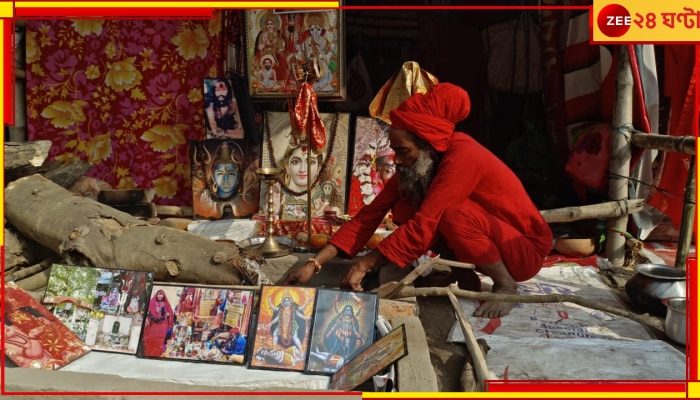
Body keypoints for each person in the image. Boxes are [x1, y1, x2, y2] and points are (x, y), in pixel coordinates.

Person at [283, 83, 553, 318]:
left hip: (523, 253)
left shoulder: (464, 154)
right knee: (408, 205)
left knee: (448, 216)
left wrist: (366, 264)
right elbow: (368, 216)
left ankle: (505, 285)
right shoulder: (418, 166)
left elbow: (428, 222)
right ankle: (462, 275)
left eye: (402, 151)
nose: (396, 160)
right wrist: (313, 264)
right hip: (494, 240)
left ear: (427, 145)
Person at [142, 289, 174, 357]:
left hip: (163, 326)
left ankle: (158, 355)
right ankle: (148, 354)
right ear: (156, 295)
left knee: (160, 341)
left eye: (161, 294)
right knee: (152, 339)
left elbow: (171, 313)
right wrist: (147, 319)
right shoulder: (152, 302)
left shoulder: (166, 304)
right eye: (159, 294)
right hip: (153, 325)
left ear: (163, 296)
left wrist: (168, 315)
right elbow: (147, 312)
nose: (160, 296)